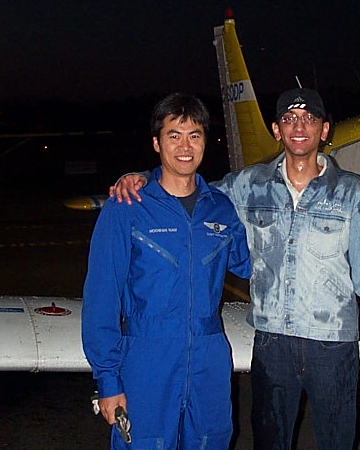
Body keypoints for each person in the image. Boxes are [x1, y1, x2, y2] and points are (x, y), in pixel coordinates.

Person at [112, 87, 360, 450]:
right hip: (272, 344)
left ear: (325, 131)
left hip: (333, 348)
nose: (299, 127)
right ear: (277, 130)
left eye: (310, 119)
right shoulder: (249, 184)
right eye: (289, 119)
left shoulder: (350, 192)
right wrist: (141, 176)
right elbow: (186, 188)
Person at [82, 92, 251, 450]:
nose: (185, 146)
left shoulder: (221, 209)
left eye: (195, 135)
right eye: (174, 135)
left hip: (209, 360)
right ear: (156, 143)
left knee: (212, 442)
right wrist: (109, 382)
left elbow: (255, 266)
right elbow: (101, 300)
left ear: (206, 141)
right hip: (147, 360)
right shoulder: (126, 207)